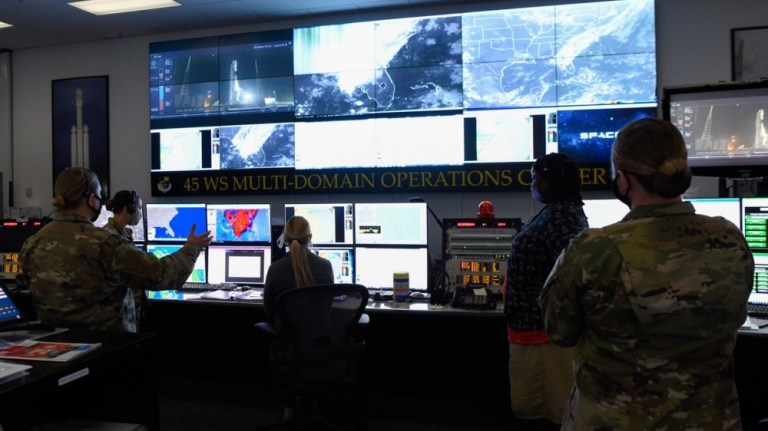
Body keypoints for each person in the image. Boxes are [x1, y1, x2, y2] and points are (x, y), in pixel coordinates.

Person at [539, 117, 754, 430]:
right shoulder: (729, 238)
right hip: (711, 420)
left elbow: (558, 330)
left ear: (623, 180)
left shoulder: (594, 250)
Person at [19, 167, 212, 333]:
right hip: (104, 350)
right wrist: (191, 248)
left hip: (57, 349)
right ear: (92, 199)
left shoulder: (32, 243)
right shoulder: (104, 243)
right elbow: (162, 274)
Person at [503, 153, 588, 430]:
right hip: (532, 329)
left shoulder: (564, 217)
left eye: (533, 178)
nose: (531, 184)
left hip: (544, 336)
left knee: (542, 414)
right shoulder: (559, 211)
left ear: (549, 182)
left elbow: (572, 274)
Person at [263, 215, 334, 322]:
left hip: (286, 337)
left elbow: (269, 312)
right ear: (310, 237)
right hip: (318, 336)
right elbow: (328, 305)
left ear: (286, 238)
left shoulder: (275, 269)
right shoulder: (326, 266)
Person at [103, 189, 149, 330]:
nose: (140, 213)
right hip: (119, 312)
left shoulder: (122, 234)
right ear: (129, 208)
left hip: (129, 306)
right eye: (139, 208)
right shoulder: (112, 237)